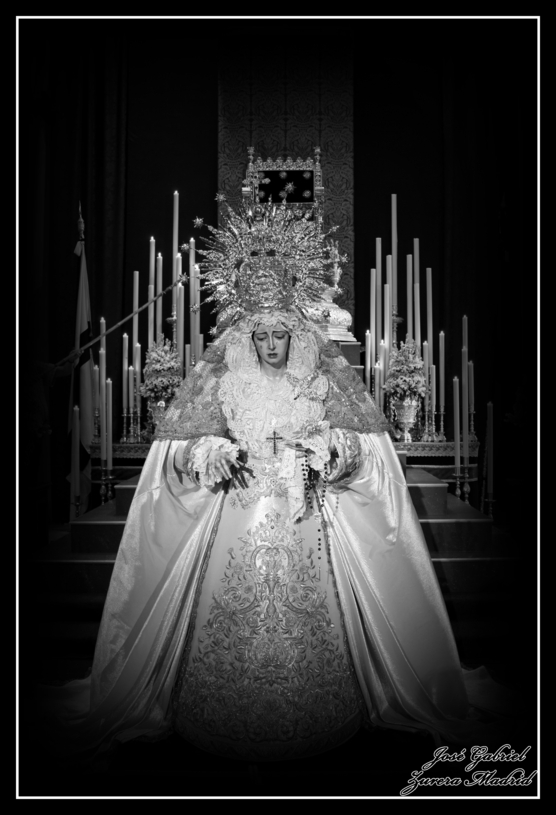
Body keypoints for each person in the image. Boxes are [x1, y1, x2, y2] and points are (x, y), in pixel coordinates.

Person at [36, 201, 518, 764]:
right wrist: (209, 449)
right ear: (249, 335)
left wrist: (330, 447)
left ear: (294, 335)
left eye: (279, 335)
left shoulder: (319, 381)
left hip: (305, 512)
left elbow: (365, 444)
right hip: (238, 510)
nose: (270, 344)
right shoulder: (225, 381)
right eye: (261, 334)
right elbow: (177, 448)